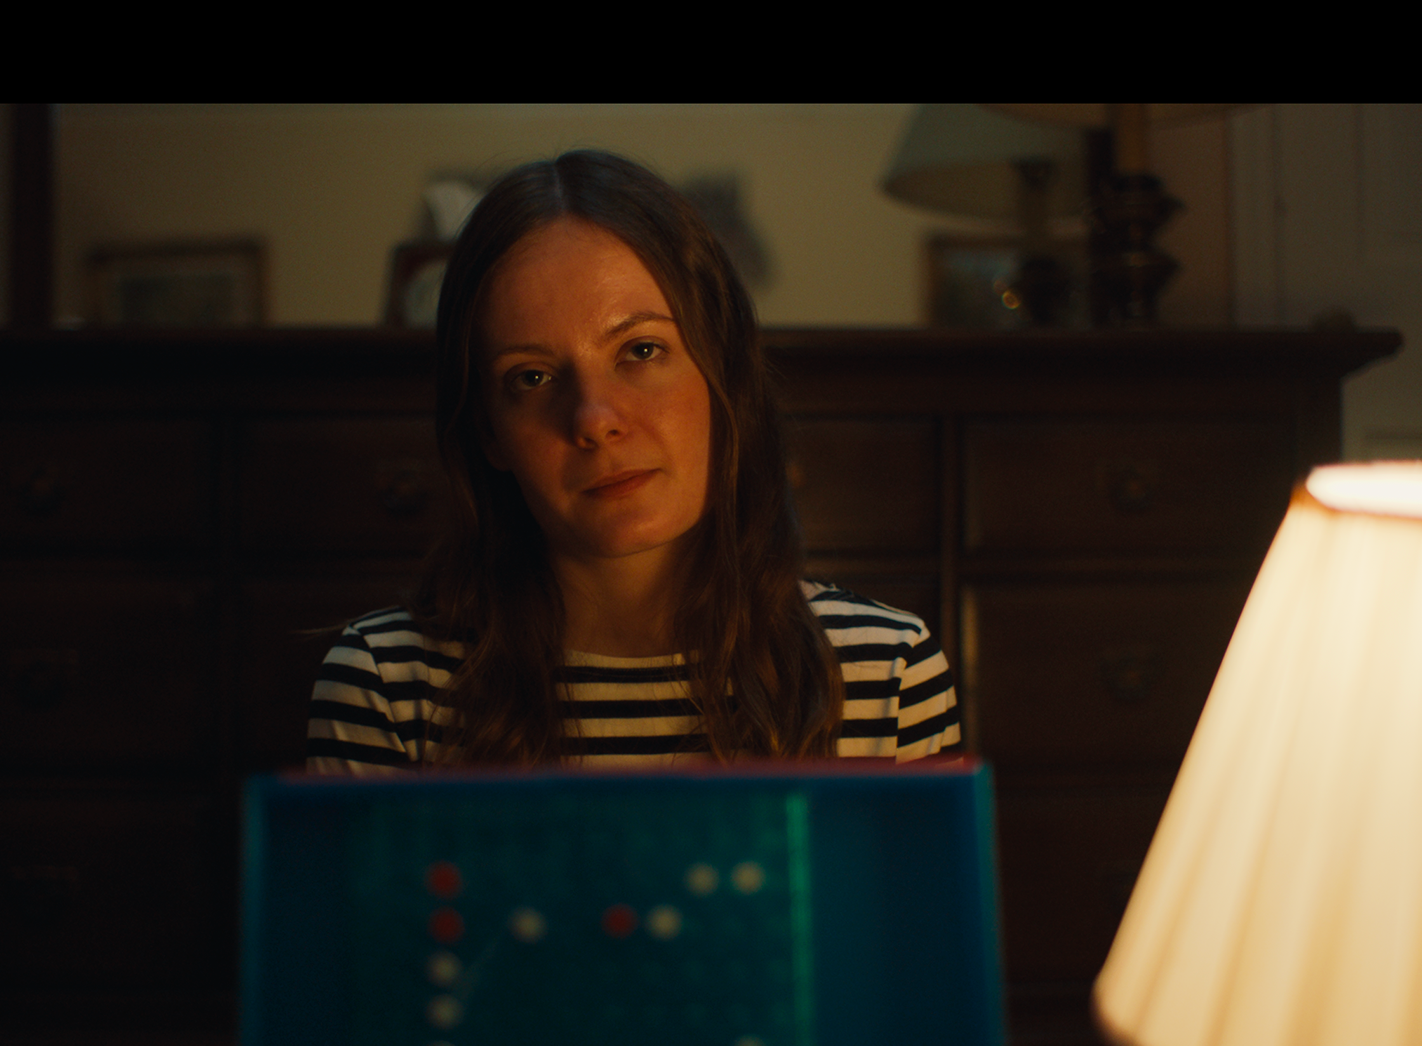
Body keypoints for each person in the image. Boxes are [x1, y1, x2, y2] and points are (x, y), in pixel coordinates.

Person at [306, 151, 959, 774]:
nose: (594, 419)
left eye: (641, 351)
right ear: (489, 432)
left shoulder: (887, 672)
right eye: (532, 377)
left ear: (723, 371)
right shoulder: (386, 684)